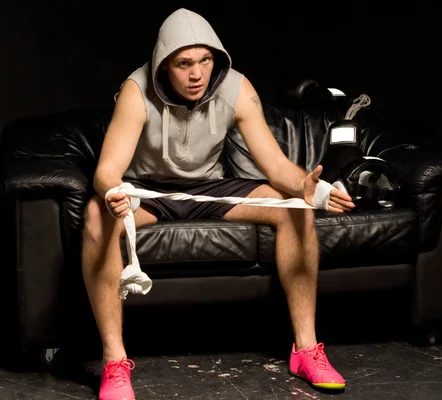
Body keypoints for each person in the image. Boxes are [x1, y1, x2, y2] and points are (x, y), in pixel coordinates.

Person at [81, 7, 355, 400]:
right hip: (146, 191)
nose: (197, 74)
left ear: (217, 59)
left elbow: (277, 167)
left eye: (205, 60)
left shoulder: (237, 88)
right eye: (184, 64)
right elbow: (107, 170)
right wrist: (112, 193)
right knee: (94, 215)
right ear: (164, 65)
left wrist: (308, 188)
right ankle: (114, 362)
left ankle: (306, 348)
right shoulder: (136, 90)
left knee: (295, 208)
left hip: (211, 189)